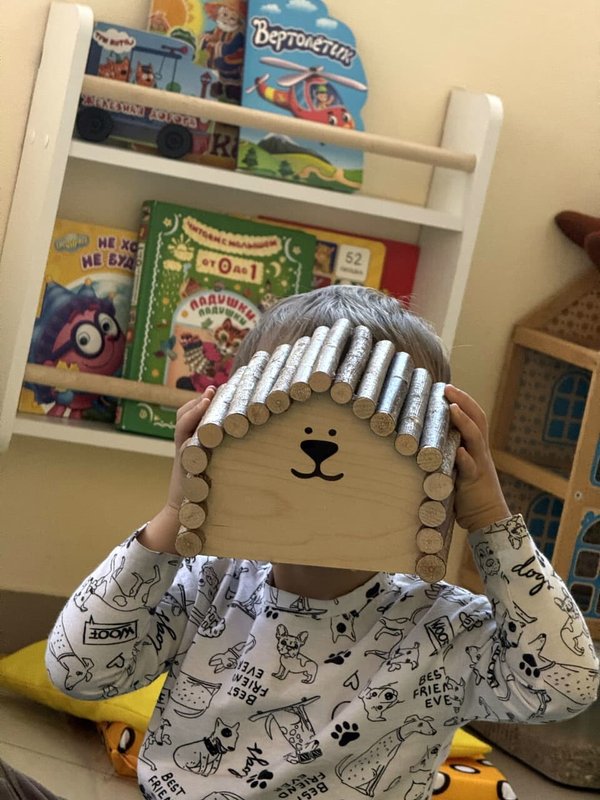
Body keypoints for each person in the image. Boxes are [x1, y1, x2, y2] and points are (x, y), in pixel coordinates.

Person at [4, 286, 598, 800]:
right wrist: (176, 518)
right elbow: (78, 668)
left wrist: (491, 521)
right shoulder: (208, 583)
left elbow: (565, 684)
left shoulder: (442, 627)